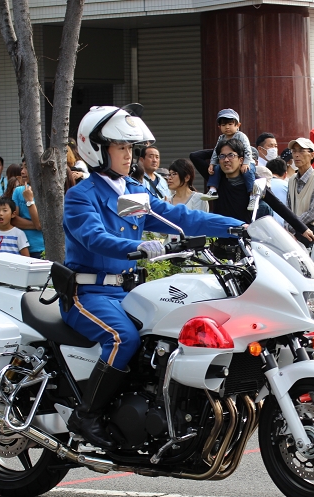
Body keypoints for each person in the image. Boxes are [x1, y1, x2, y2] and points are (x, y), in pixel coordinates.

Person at [63, 105, 245, 449]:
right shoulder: (82, 196)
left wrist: (236, 226)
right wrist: (139, 247)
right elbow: (93, 237)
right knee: (123, 339)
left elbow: (179, 217)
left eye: (130, 148)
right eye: (120, 147)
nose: (128, 155)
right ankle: (86, 416)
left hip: (127, 293)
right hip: (87, 294)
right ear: (97, 149)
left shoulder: (129, 191)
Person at [199, 138, 314, 259]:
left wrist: (303, 228)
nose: (226, 160)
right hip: (219, 250)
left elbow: (277, 205)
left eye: (231, 155)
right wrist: (219, 152)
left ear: (241, 160)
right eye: (222, 156)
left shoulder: (253, 182)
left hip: (245, 250)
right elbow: (195, 156)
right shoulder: (216, 180)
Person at [203, 109, 253, 200]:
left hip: (247, 161)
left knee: (248, 172)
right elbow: (216, 151)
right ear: (219, 127)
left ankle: (252, 194)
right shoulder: (221, 138)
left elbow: (248, 151)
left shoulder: (241, 136)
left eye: (230, 124)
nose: (227, 127)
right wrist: (212, 163)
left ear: (238, 125)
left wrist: (246, 163)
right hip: (232, 162)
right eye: (223, 125)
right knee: (216, 169)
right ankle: (213, 189)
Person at [285, 137, 314, 246]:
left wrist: (294, 225)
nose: (296, 155)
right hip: (293, 233)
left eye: (301, 151)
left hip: (312, 232)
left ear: (312, 155)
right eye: (294, 151)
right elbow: (287, 208)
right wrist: (289, 229)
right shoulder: (291, 180)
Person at [12, 160, 44, 258]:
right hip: (21, 247)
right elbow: (13, 220)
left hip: (41, 248)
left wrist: (29, 201)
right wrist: (39, 224)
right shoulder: (18, 191)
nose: (22, 171)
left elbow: (39, 224)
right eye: (22, 168)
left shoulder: (47, 192)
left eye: (26, 168)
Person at [266, 158, 289, 226]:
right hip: (283, 228)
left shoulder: (260, 185)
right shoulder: (288, 186)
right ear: (285, 174)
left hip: (262, 226)